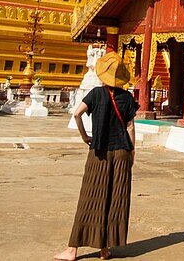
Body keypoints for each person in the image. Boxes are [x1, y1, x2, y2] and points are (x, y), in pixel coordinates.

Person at [56, 51, 137, 261]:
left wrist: (85, 136)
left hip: (98, 151)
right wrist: (132, 151)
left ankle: (72, 250)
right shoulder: (127, 97)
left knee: (90, 198)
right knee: (114, 198)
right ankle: (104, 249)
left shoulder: (95, 94)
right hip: (122, 152)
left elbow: (76, 114)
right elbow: (130, 127)